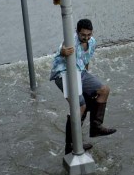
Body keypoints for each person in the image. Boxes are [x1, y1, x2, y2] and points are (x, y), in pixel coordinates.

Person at [49, 18, 116, 154]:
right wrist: (63, 52)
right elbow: (58, 54)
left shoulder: (92, 42)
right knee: (80, 106)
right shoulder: (70, 41)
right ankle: (71, 144)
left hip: (80, 72)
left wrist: (87, 84)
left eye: (88, 35)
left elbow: (86, 60)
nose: (85, 38)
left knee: (104, 90)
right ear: (77, 32)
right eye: (83, 35)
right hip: (64, 74)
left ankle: (96, 127)